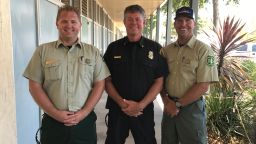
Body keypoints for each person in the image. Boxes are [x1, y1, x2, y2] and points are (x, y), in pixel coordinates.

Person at [23, 5, 110, 144]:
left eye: (73, 21)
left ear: (80, 25)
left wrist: (84, 112)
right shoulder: (42, 51)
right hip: (53, 123)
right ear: (57, 24)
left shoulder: (92, 52)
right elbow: (34, 85)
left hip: (84, 123)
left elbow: (100, 83)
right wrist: (55, 113)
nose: (69, 25)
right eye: (64, 21)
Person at [103, 4, 168, 144]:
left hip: (143, 111)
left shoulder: (155, 48)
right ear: (124, 22)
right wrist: (123, 104)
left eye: (137, 19)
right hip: (117, 109)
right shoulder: (113, 48)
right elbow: (106, 80)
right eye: (130, 19)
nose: (134, 23)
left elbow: (159, 81)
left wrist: (140, 105)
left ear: (144, 22)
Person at [160, 6, 219, 144]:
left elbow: (203, 85)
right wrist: (166, 101)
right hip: (169, 106)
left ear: (194, 23)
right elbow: (159, 80)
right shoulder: (166, 51)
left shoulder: (204, 50)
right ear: (174, 24)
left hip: (191, 108)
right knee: (168, 140)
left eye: (187, 20)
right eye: (179, 20)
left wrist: (178, 105)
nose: (183, 24)